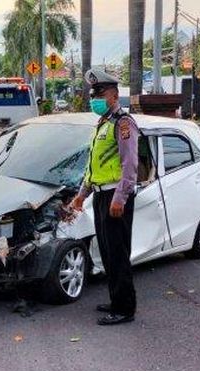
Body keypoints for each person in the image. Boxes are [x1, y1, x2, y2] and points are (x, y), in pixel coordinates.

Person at [69, 68, 139, 326]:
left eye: (101, 94)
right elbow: (93, 165)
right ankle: (115, 299)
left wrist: (120, 198)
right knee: (108, 253)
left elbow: (130, 164)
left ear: (114, 96)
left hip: (115, 196)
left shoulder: (123, 123)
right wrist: (81, 195)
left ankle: (125, 309)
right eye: (93, 94)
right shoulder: (103, 124)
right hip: (100, 196)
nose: (95, 98)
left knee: (118, 254)